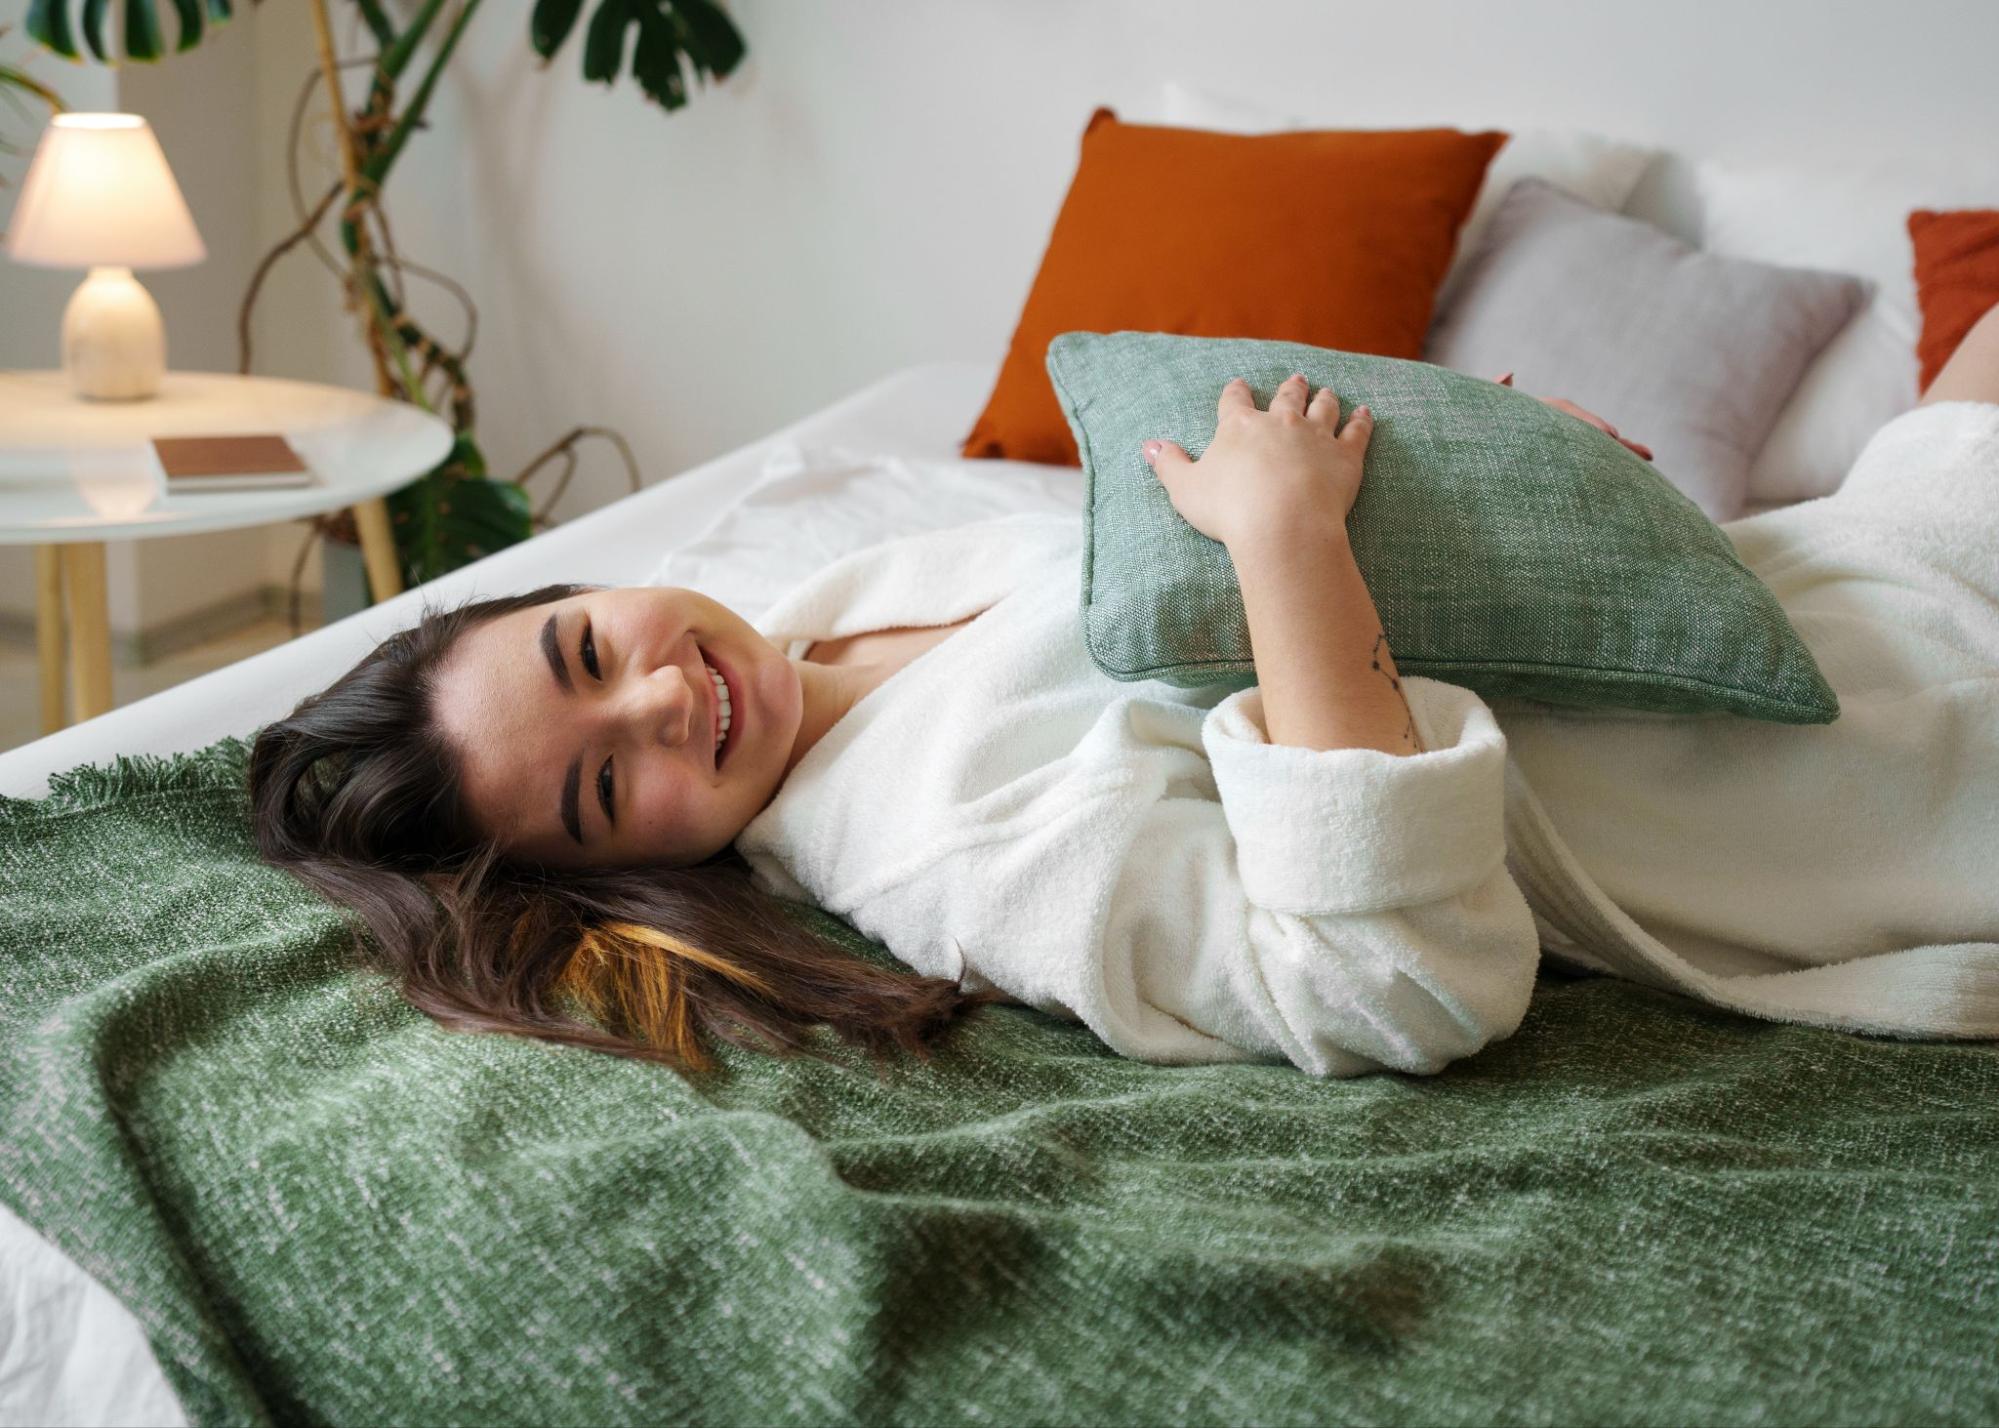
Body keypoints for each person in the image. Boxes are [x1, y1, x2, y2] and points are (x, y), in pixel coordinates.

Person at [249, 303, 1999, 1077]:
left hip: (1833, 558)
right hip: (1856, 754)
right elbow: (1391, 981)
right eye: (604, 787)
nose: (657, 701)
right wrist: (1290, 547)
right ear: (631, 865)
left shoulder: (846, 603)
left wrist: (1525, 491)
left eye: (584, 651)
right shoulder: (941, 846)